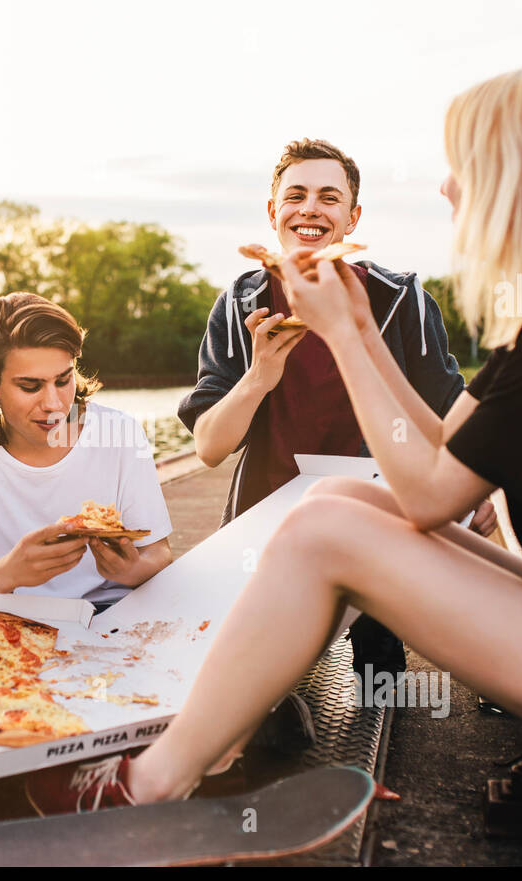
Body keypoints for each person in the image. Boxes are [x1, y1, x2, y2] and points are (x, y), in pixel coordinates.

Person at [26, 66, 522, 813]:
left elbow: (433, 495)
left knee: (327, 530)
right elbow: (442, 446)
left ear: (521, 178)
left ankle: (146, 784)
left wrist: (339, 332)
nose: (445, 188)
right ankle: (220, 733)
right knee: (344, 495)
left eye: (463, 165)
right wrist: (364, 327)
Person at [178, 138, 494, 684]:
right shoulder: (238, 303)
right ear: (273, 212)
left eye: (329, 197)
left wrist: (483, 489)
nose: (310, 208)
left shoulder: (401, 298)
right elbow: (209, 448)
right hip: (268, 523)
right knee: (266, 691)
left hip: (380, 516)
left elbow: (448, 410)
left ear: (352, 218)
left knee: (383, 684)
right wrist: (259, 377)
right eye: (295, 195)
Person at [0, 293, 173, 610]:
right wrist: (2, 576)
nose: (54, 404)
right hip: (13, 622)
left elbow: (158, 553)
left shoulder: (119, 434)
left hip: (113, 613)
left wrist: (132, 571)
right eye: (30, 386)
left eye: (63, 380)